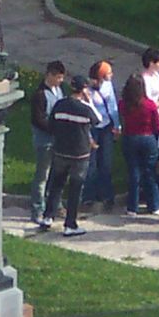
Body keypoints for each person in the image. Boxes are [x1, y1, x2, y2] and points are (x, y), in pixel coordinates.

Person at [39, 75, 97, 236]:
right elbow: (97, 120)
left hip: (60, 151)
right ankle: (70, 224)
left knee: (56, 184)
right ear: (83, 89)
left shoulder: (59, 105)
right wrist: (89, 101)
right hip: (80, 154)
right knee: (75, 189)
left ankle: (48, 217)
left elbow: (51, 126)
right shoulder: (85, 109)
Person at [27, 61, 67, 225]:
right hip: (45, 141)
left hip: (57, 140)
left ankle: (55, 204)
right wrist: (55, 128)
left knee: (56, 175)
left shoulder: (58, 91)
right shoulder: (40, 94)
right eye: (58, 77)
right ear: (49, 75)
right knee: (42, 176)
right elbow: (38, 120)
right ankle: (38, 209)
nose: (60, 80)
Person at [120, 73, 159, 216]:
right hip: (148, 138)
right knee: (150, 172)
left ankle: (132, 207)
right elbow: (156, 126)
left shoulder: (123, 104)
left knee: (133, 172)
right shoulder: (150, 105)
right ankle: (154, 205)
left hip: (130, 138)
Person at [82, 58, 119, 212]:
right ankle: (88, 196)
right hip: (93, 128)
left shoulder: (108, 86)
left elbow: (113, 106)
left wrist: (117, 125)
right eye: (109, 73)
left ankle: (106, 195)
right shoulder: (87, 90)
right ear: (101, 75)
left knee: (106, 162)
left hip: (106, 127)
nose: (112, 75)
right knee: (91, 163)